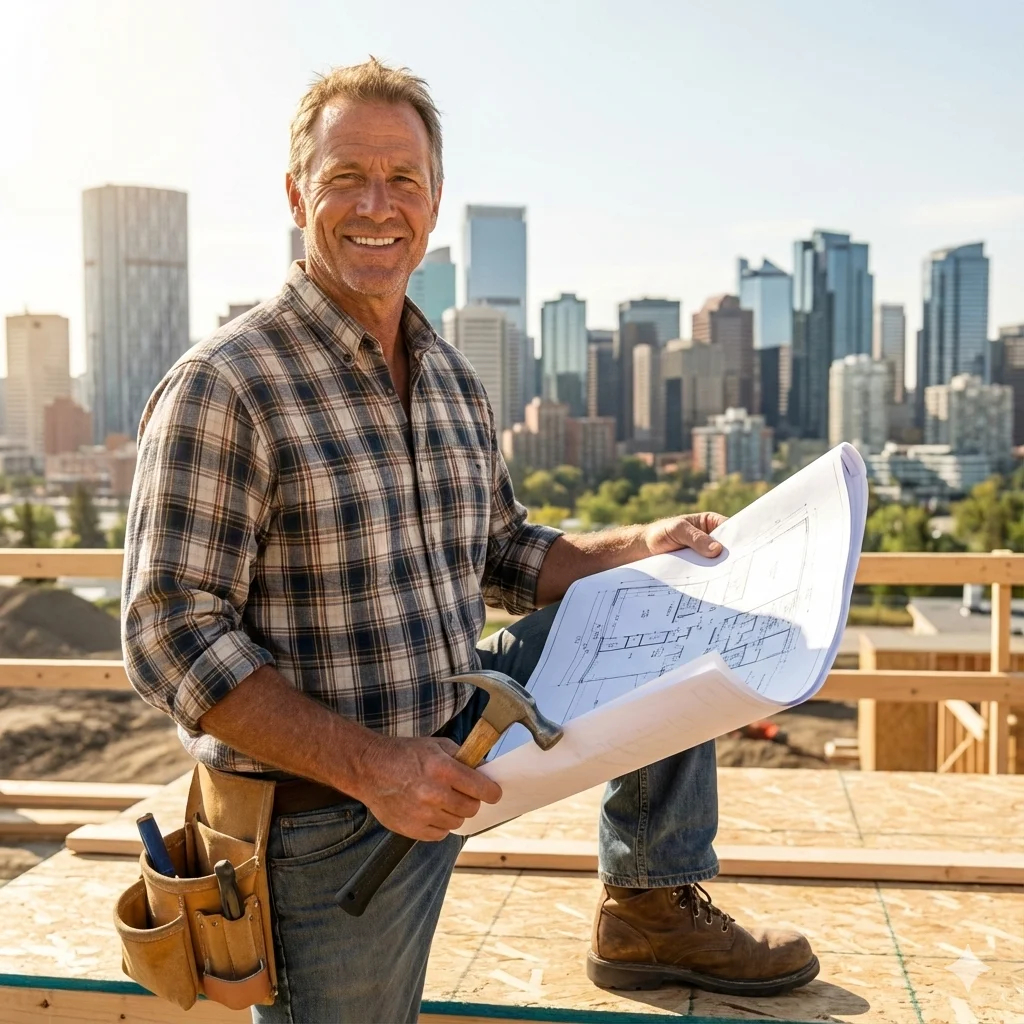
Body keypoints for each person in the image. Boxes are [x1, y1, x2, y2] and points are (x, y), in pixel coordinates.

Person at [122, 58, 819, 1024]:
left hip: (463, 723)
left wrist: (639, 547)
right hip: (326, 817)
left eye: (403, 179)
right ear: (296, 195)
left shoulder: (451, 379)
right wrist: (374, 768)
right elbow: (169, 635)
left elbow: (503, 552)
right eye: (345, 178)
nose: (378, 203)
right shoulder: (229, 383)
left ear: (435, 200)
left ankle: (651, 909)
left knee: (666, 600)